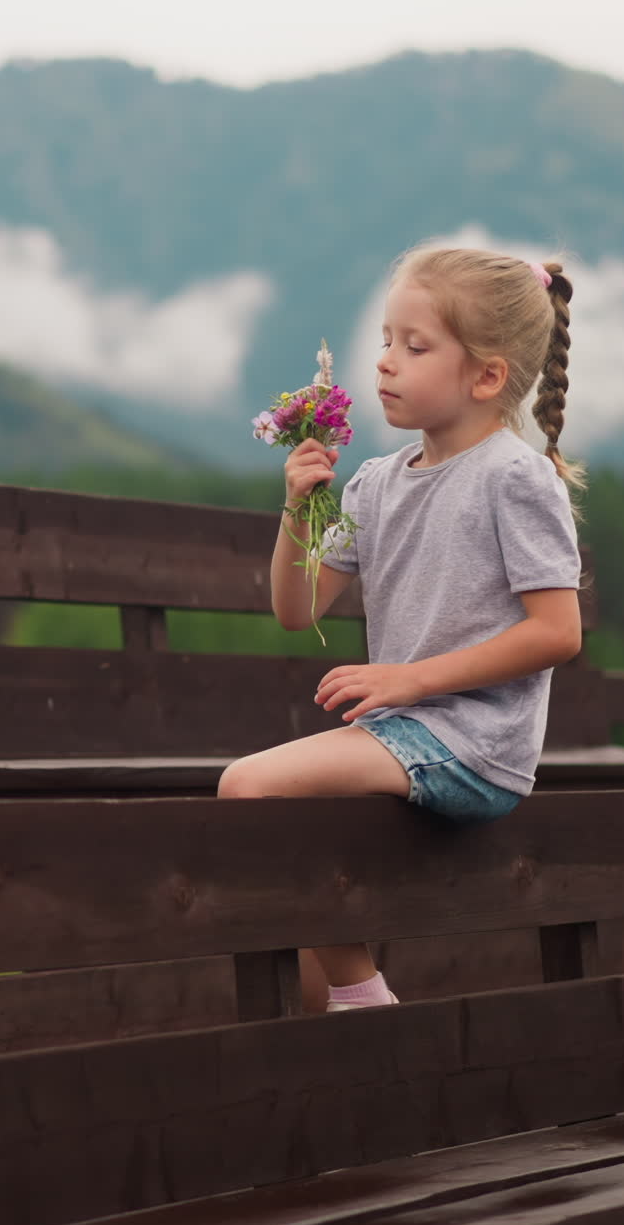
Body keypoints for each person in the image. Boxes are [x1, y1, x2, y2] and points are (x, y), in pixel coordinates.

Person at [218, 244, 584, 1014]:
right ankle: (342, 1051)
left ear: (486, 377)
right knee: (286, 851)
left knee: (248, 788)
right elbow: (296, 610)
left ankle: (362, 997)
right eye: (386, 340)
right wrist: (297, 506)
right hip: (409, 731)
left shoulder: (514, 477)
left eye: (414, 347)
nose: (385, 361)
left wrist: (408, 680)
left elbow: (558, 633)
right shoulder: (378, 482)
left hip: (475, 743)